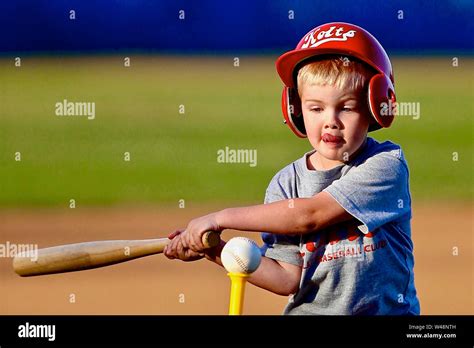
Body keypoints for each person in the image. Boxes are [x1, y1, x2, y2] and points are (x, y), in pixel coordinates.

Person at [164, 22, 420, 315]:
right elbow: (287, 278)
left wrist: (221, 218)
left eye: (346, 107)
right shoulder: (286, 183)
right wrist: (215, 250)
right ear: (295, 109)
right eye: (316, 108)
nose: (331, 121)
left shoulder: (385, 164)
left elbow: (308, 216)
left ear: (377, 106)